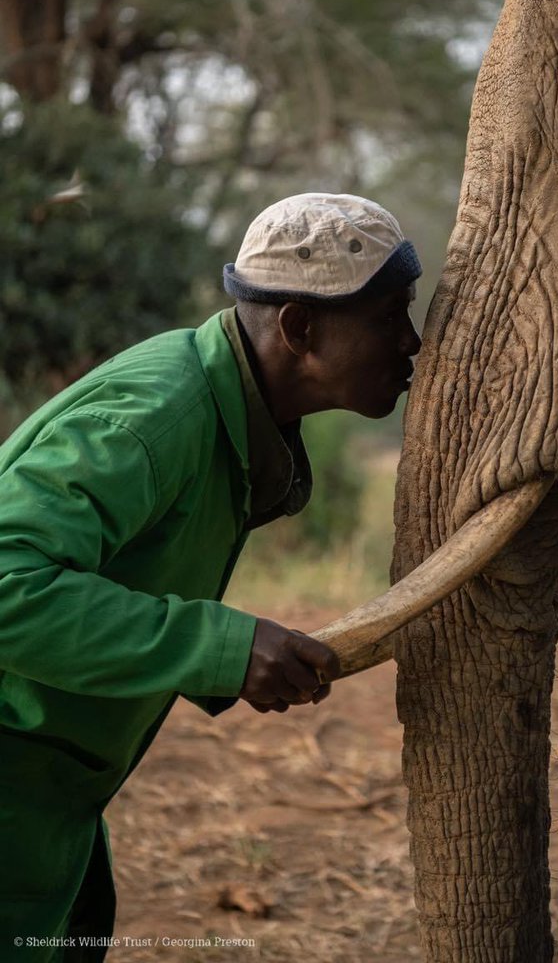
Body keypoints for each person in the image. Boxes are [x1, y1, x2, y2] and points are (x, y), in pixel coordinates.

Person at [0, 192, 422, 961]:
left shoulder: (227, 415)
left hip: (54, 801)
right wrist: (220, 647)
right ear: (300, 328)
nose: (412, 341)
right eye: (389, 316)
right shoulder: (157, 415)